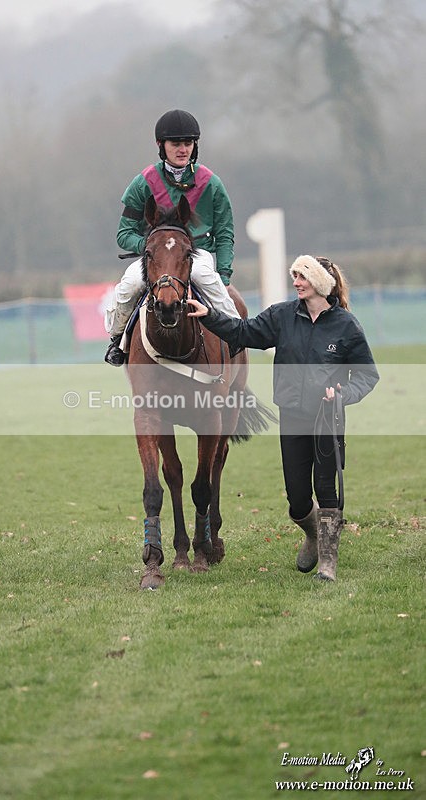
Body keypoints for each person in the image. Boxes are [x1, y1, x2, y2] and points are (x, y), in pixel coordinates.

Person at [187, 255, 379, 581]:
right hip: (292, 416)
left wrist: (343, 395)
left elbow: (367, 375)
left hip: (327, 419)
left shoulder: (347, 325)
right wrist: (210, 317)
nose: (296, 283)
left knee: (327, 490)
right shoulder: (282, 316)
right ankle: (313, 534)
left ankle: (328, 565)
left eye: (302, 277)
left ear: (319, 283)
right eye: (295, 277)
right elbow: (243, 332)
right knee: (298, 499)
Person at [104, 108, 241, 366]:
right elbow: (124, 234)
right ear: (161, 145)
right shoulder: (143, 183)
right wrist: (152, 249)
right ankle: (117, 339)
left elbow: (224, 232)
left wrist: (224, 274)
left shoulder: (211, 183)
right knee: (130, 285)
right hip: (155, 256)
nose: (183, 149)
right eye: (176, 144)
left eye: (188, 143)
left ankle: (237, 335)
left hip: (196, 254)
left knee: (207, 280)